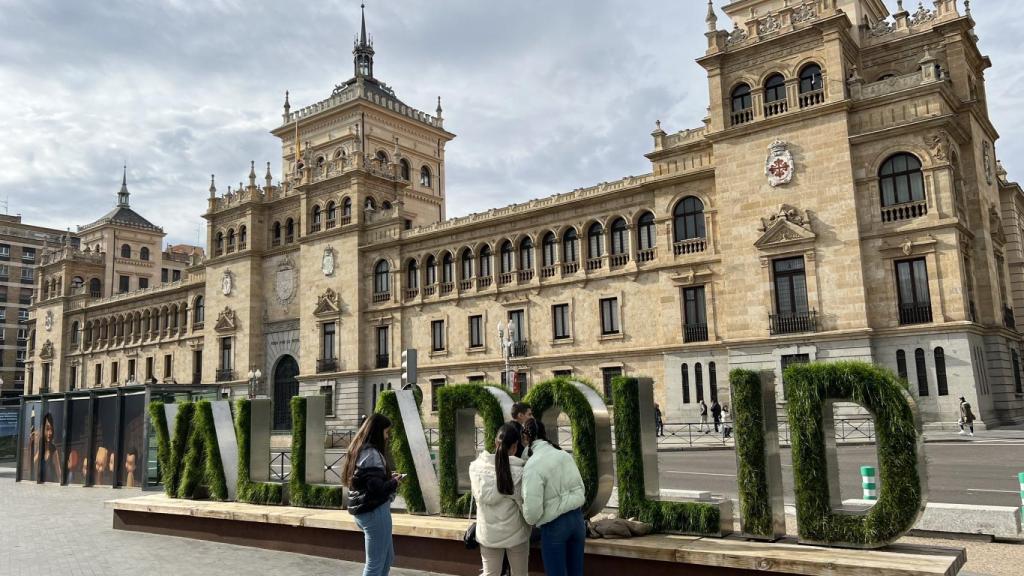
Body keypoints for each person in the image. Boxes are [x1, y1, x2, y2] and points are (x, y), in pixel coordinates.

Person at [521, 418, 586, 576]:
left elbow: (532, 512)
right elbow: (581, 487)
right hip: (577, 521)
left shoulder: (532, 465)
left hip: (554, 525)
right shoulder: (563, 454)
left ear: (525, 438)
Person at [470, 423, 531, 576]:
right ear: (515, 446)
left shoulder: (476, 468)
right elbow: (525, 508)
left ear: (495, 443)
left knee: (490, 574)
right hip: (516, 533)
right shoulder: (520, 473)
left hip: (488, 533)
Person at [344, 414, 402, 576]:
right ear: (377, 431)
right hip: (374, 512)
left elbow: (369, 481)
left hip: (366, 511)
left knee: (387, 558)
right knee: (374, 565)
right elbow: (376, 488)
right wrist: (394, 482)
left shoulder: (360, 449)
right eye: (386, 432)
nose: (387, 436)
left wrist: (388, 478)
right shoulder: (371, 453)